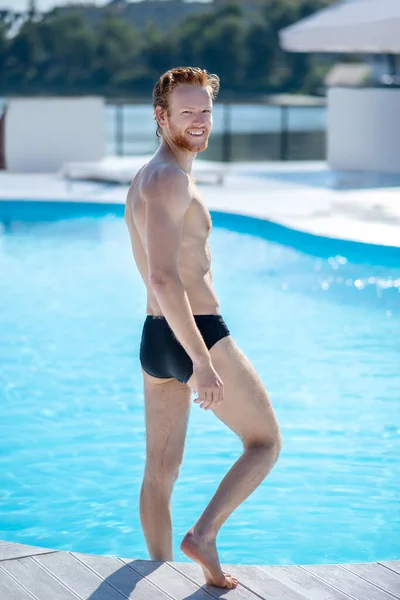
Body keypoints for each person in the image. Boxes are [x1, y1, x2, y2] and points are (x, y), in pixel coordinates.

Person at [124, 66, 282, 590]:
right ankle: (205, 534)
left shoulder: (148, 175)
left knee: (159, 474)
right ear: (160, 116)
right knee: (264, 443)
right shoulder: (169, 177)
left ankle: (159, 574)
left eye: (205, 111)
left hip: (154, 338)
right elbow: (165, 276)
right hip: (195, 331)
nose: (199, 120)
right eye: (186, 112)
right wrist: (203, 360)